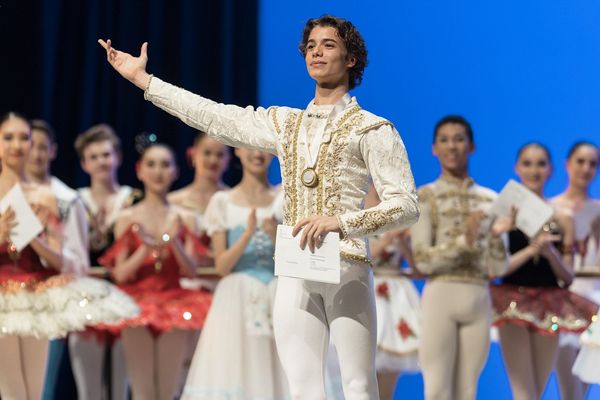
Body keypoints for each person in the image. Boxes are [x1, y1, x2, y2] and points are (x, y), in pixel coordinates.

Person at [99, 15, 420, 399]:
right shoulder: (285, 123)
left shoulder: (373, 128)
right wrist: (144, 81)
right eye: (311, 46)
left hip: (346, 265)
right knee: (300, 387)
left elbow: (405, 206)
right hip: (295, 268)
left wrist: (341, 222)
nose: (316, 51)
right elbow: (213, 116)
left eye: (328, 45)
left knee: (358, 385)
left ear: (351, 59)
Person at [0, 112, 137, 400]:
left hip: (36, 295)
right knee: (11, 391)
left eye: (24, 138)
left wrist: (35, 239)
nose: (17, 145)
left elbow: (61, 260)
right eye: (8, 137)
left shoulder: (46, 195)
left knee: (34, 393)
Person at [99, 142, 212, 400]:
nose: (158, 171)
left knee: (169, 389)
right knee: (142, 391)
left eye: (165, 164)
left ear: (175, 171)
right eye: (151, 164)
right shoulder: (128, 217)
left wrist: (173, 240)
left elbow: (192, 271)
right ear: (140, 171)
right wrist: (145, 248)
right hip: (137, 305)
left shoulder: (185, 218)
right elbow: (120, 274)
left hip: (175, 302)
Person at [410, 115, 510, 400]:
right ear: (434, 148)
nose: (451, 146)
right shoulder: (425, 196)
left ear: (472, 146)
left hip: (479, 296)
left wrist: (494, 237)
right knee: (437, 389)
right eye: (444, 140)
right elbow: (423, 260)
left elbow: (499, 267)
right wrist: (464, 240)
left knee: (468, 392)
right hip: (441, 295)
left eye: (459, 139)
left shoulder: (490, 199)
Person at [490, 142, 598, 400]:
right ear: (517, 168)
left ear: (551, 170)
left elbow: (568, 277)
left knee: (536, 393)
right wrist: (523, 246)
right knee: (524, 394)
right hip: (512, 302)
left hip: (551, 304)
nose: (534, 170)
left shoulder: (562, 218)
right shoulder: (503, 215)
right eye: (527, 163)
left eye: (541, 164)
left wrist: (549, 253)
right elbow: (495, 268)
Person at [182, 147, 288, 399]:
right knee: (237, 366)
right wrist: (247, 233)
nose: (257, 154)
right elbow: (221, 266)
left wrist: (274, 235)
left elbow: (294, 261)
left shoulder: (284, 198)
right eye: (250, 147)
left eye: (264, 148)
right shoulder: (222, 202)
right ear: (238, 151)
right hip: (236, 296)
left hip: (279, 292)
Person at [71, 124, 142, 400]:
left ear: (118, 157)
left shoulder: (133, 198)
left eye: (106, 154)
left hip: (128, 294)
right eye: (94, 157)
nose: (101, 162)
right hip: (85, 295)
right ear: (84, 163)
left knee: (121, 383)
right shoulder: (75, 199)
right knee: (88, 387)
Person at [25, 119, 91, 399]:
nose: (36, 154)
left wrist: (41, 247)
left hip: (49, 300)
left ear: (53, 151)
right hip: (10, 295)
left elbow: (78, 261)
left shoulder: (66, 199)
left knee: (42, 387)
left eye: (43, 147)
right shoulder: (7, 193)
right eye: (31, 146)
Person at [168, 131, 230, 396]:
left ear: (229, 159)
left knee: (219, 365)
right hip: (185, 291)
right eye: (207, 152)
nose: (213, 160)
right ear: (192, 155)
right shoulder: (173, 202)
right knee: (179, 364)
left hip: (222, 291)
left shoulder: (233, 201)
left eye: (220, 154)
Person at [551, 141, 600, 400]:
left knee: (582, 389)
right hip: (561, 304)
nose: (586, 168)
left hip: (595, 304)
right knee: (570, 390)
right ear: (567, 164)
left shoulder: (599, 212)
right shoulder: (550, 208)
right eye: (580, 161)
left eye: (593, 163)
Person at [363, 184, 421, 399]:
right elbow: (366, 258)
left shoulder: (400, 210)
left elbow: (417, 269)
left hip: (396, 295)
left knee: (390, 366)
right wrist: (387, 238)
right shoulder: (358, 208)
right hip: (368, 286)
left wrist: (401, 240)